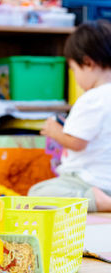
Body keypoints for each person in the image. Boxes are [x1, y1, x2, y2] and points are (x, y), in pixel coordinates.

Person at [28, 20, 111, 212]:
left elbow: (77, 143)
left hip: (87, 180)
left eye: (74, 70)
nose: (75, 77)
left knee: (36, 193)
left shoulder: (91, 98)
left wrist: (55, 131)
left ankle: (95, 201)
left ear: (88, 63)